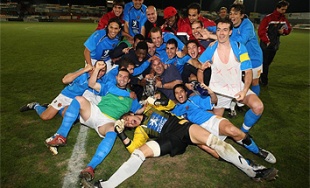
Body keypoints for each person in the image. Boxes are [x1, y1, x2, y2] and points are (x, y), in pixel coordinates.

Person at [81, 99, 278, 188]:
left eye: (130, 119)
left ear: (133, 113)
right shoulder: (140, 131)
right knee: (138, 154)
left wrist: (157, 98)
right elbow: (132, 147)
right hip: (167, 139)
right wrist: (123, 134)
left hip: (184, 127)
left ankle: (253, 171)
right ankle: (105, 186)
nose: (132, 122)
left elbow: (171, 105)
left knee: (215, 144)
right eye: (130, 125)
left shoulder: (150, 107)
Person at [44, 65, 142, 181]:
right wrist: (95, 69)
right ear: (116, 77)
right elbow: (91, 84)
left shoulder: (132, 97)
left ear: (129, 80)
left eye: (125, 77)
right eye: (120, 76)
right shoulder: (109, 86)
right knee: (79, 99)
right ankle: (61, 136)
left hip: (108, 122)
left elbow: (140, 110)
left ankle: (90, 167)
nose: (122, 79)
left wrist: (153, 102)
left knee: (113, 131)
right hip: (95, 112)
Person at [172, 84, 276, 163]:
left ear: (185, 93)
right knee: (219, 153)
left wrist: (211, 92)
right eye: (176, 93)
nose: (179, 94)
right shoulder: (175, 110)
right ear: (174, 96)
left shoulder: (194, 99)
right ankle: (248, 164)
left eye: (181, 91)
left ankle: (257, 151)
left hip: (210, 120)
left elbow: (214, 100)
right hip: (199, 131)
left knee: (233, 131)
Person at [198, 18, 264, 133]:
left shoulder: (239, 48)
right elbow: (199, 67)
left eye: (225, 30)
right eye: (218, 30)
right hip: (218, 91)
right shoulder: (211, 48)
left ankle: (244, 132)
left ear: (230, 32)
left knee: (258, 107)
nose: (221, 33)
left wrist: (244, 91)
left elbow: (248, 71)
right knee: (214, 127)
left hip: (237, 88)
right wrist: (203, 85)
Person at [19, 62, 106, 120]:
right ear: (94, 68)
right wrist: (84, 70)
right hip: (66, 96)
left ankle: (52, 107)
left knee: (69, 116)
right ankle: (35, 106)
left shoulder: (99, 82)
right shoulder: (83, 73)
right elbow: (65, 80)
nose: (101, 73)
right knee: (45, 117)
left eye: (103, 71)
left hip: (76, 101)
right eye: (99, 69)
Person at [258, 0, 292, 86]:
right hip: (266, 44)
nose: (284, 11)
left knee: (268, 63)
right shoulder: (268, 18)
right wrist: (267, 41)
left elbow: (288, 29)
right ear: (278, 8)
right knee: (264, 63)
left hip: (275, 45)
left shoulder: (283, 19)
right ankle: (264, 81)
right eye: (283, 9)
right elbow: (261, 31)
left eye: (285, 9)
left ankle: (259, 76)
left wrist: (283, 31)